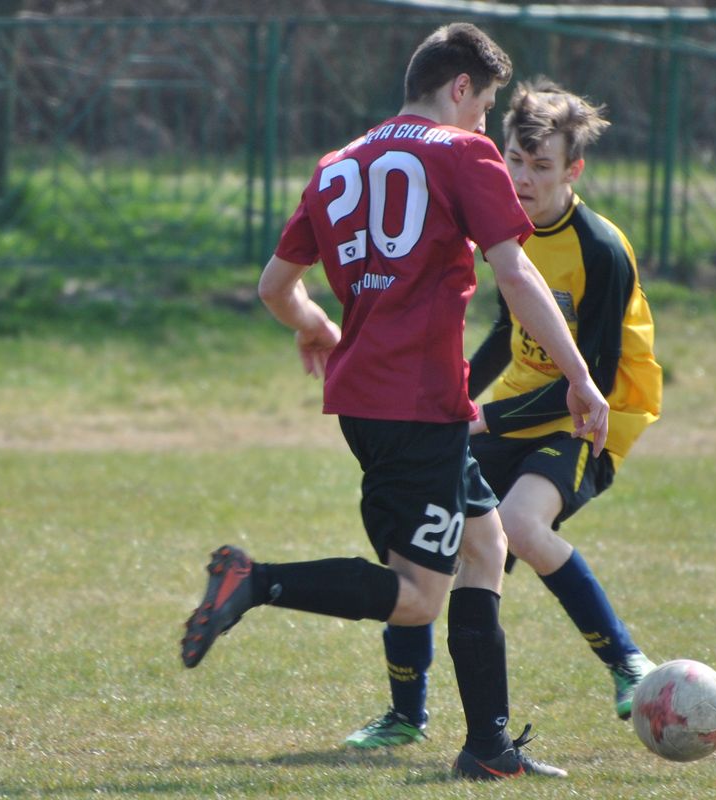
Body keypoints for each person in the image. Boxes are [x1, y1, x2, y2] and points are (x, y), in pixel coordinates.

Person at [180, 27, 611, 781]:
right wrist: (578, 374)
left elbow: (275, 287)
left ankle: (488, 748)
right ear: (459, 88)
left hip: (369, 401)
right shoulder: (462, 152)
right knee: (415, 598)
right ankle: (255, 579)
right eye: (486, 105)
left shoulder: (338, 164)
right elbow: (513, 272)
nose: (486, 123)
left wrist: (316, 326)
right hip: (418, 405)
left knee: (487, 545)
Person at [345, 78, 662, 751]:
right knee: (428, 541)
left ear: (573, 170)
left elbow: (594, 379)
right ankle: (405, 714)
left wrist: (484, 420)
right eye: (515, 159)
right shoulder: (504, 228)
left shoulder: (601, 249)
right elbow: (502, 331)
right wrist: (450, 397)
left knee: (519, 522)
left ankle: (627, 662)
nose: (522, 178)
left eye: (541, 165)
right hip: (515, 408)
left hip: (589, 420)